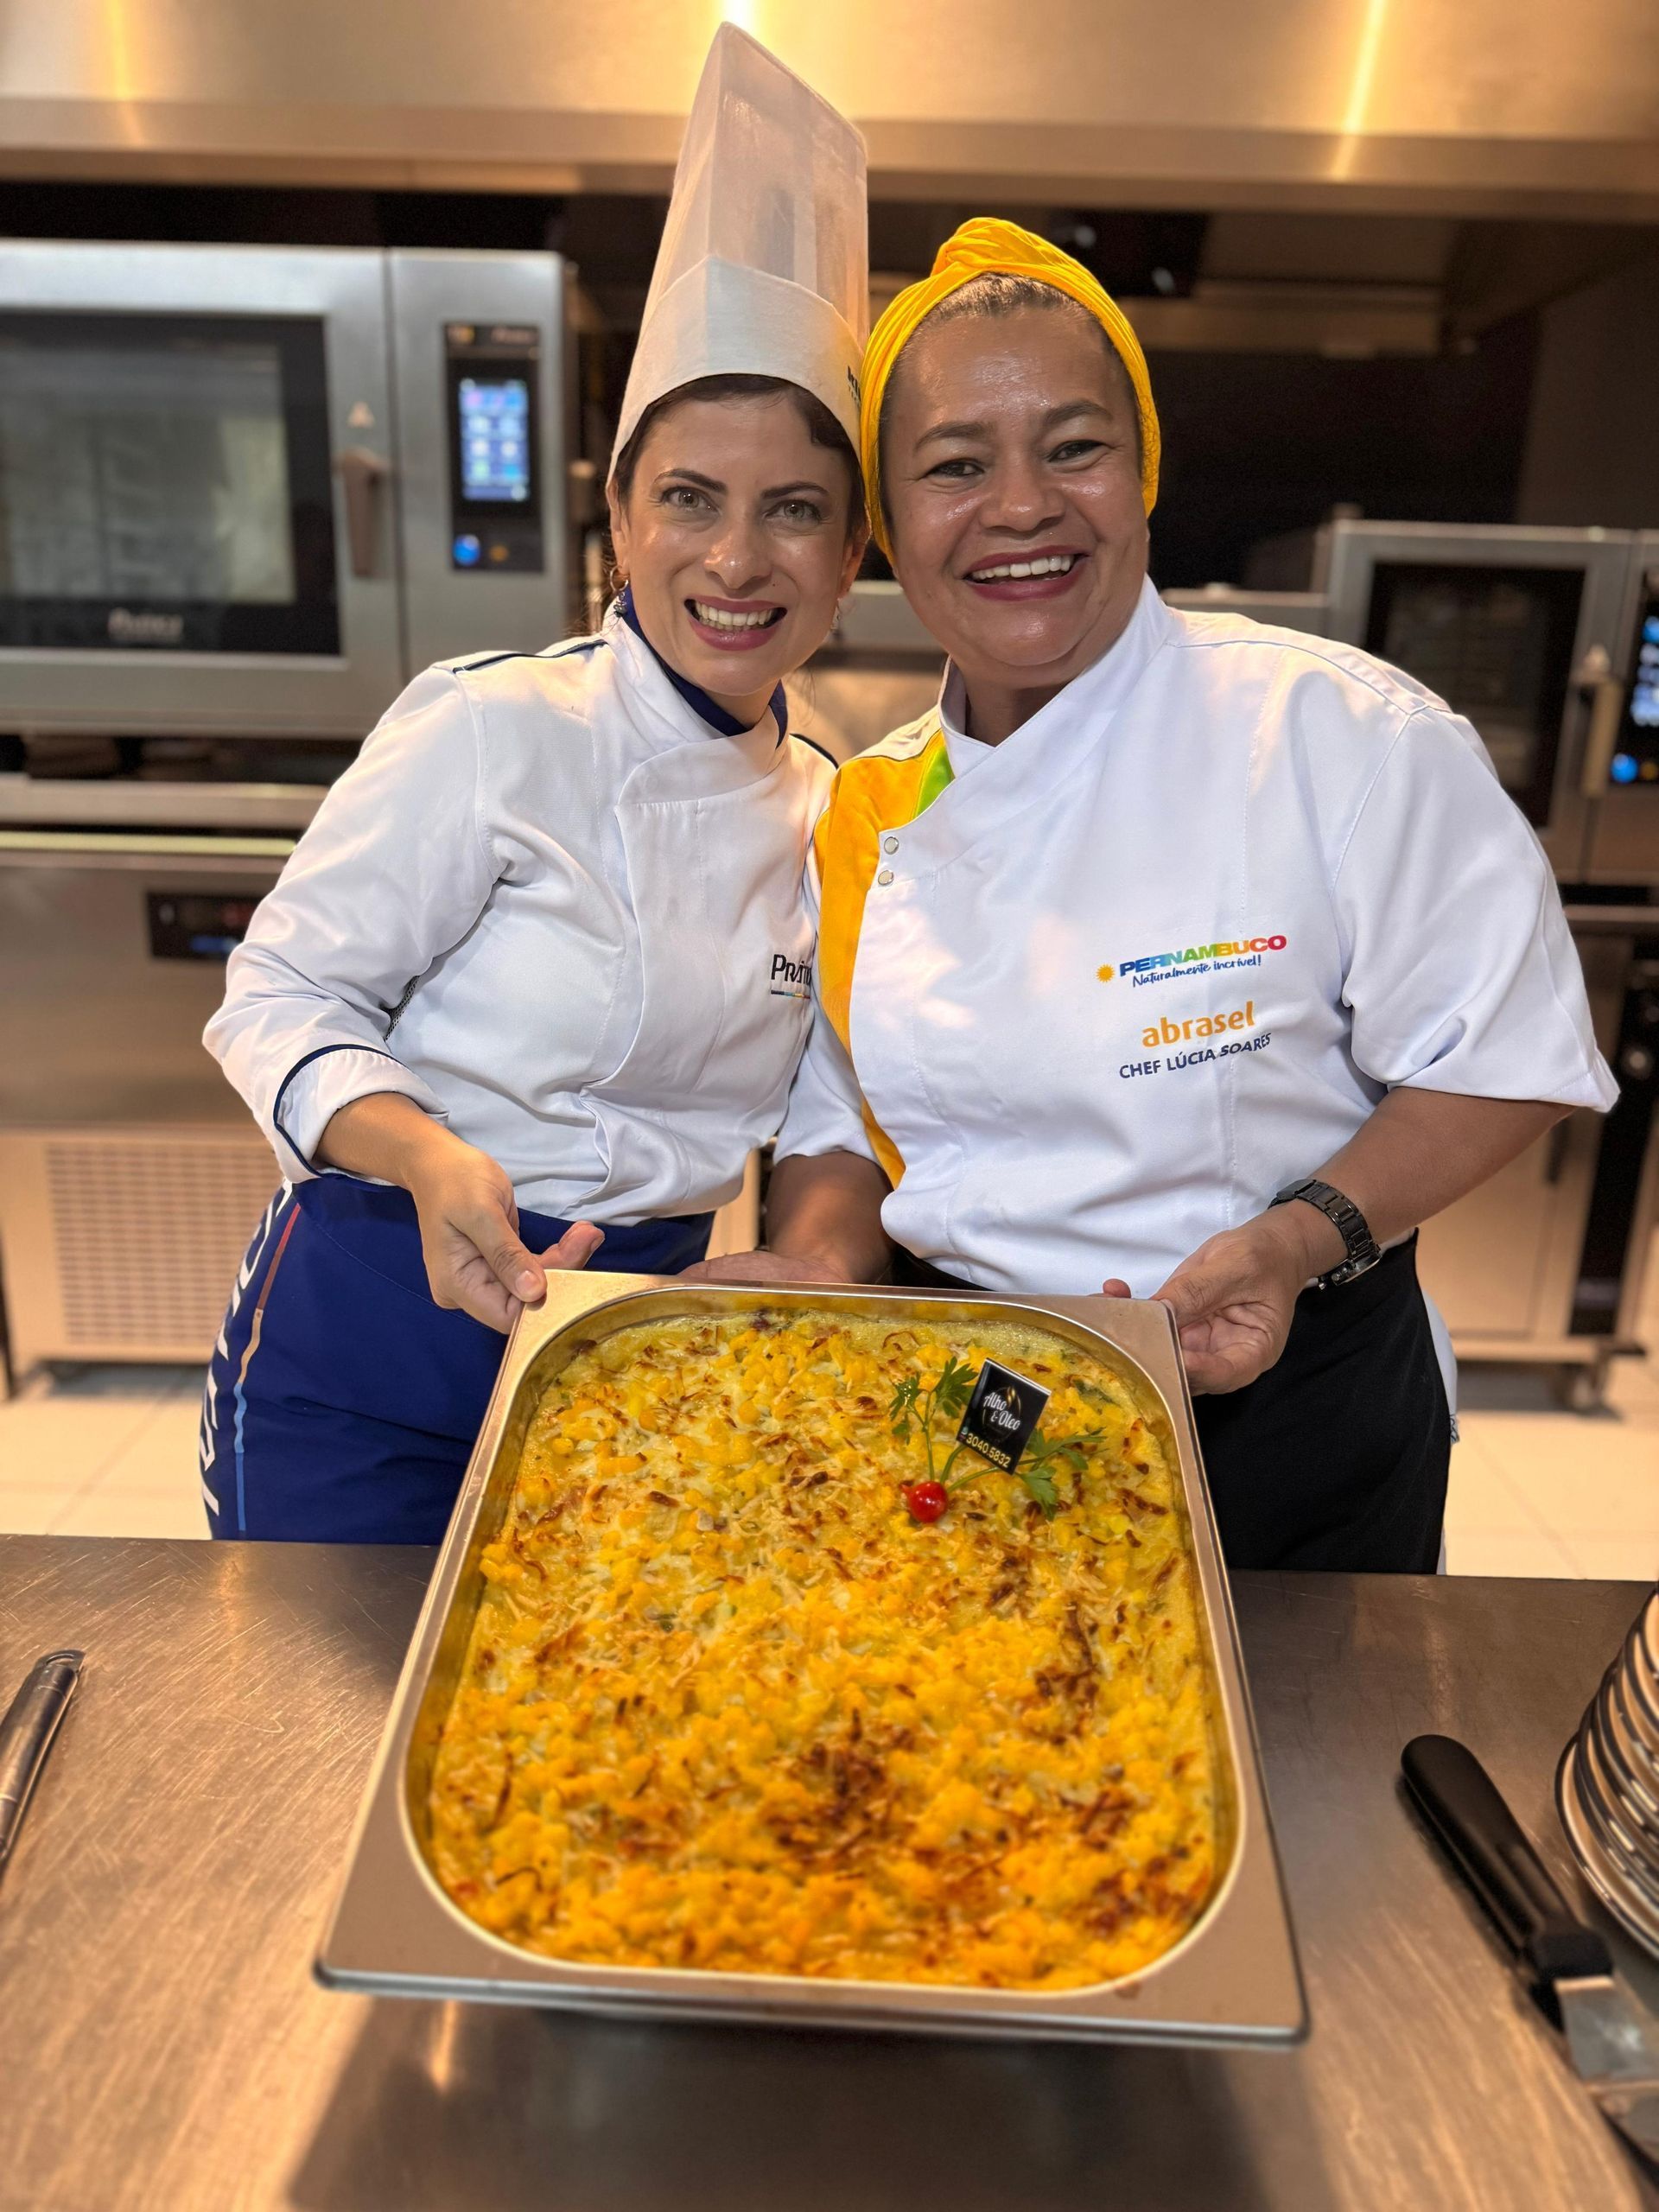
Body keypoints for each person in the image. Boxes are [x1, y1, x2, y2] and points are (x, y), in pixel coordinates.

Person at [692, 219, 1617, 1573]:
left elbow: (1510, 1063)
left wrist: (1302, 1240)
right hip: (972, 1390)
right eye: (955, 466)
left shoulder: (1333, 732)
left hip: (1280, 1403)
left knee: (1292, 1763)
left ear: (1142, 475)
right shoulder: (870, 805)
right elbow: (843, 1114)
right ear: (889, 526)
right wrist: (828, 1269)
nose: (1020, 506)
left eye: (1074, 447)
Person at [198, 26, 868, 1542]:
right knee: (313, 1748)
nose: (736, 557)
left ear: (851, 556)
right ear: (619, 518)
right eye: (688, 498)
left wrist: (818, 1265)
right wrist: (430, 1156)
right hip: (372, 1329)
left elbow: (835, 1099)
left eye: (797, 511)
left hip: (640, 1355)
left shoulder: (841, 810)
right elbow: (281, 997)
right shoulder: (493, 729)